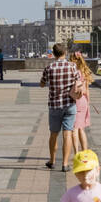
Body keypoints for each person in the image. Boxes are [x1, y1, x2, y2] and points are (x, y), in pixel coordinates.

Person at [39, 42, 79, 171]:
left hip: (55, 105)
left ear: (54, 54)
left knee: (54, 134)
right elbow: (78, 82)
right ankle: (65, 164)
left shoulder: (49, 68)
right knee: (67, 134)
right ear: (65, 53)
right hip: (69, 104)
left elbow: (42, 84)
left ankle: (52, 160)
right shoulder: (73, 67)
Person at [70, 50, 95, 152]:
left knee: (74, 129)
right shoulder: (84, 72)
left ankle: (76, 153)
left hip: (77, 100)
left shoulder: (75, 72)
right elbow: (87, 90)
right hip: (84, 100)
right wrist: (88, 103)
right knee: (81, 129)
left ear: (73, 60)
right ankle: (85, 152)